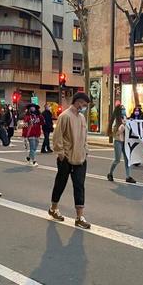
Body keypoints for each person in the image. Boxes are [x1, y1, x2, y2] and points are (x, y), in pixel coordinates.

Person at [48, 92, 92, 229]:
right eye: (84, 105)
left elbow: (85, 137)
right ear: (78, 102)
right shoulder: (65, 116)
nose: (84, 107)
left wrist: (86, 150)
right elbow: (57, 137)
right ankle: (53, 208)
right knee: (60, 184)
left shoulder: (82, 118)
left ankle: (79, 217)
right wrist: (61, 154)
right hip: (66, 158)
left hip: (80, 158)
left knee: (79, 186)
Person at [107, 105, 135, 183]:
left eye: (124, 109)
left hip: (125, 142)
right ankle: (110, 173)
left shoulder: (125, 119)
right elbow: (116, 134)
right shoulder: (116, 121)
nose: (124, 111)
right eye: (122, 109)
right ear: (119, 112)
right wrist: (122, 127)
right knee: (117, 160)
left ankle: (128, 176)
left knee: (127, 159)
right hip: (118, 142)